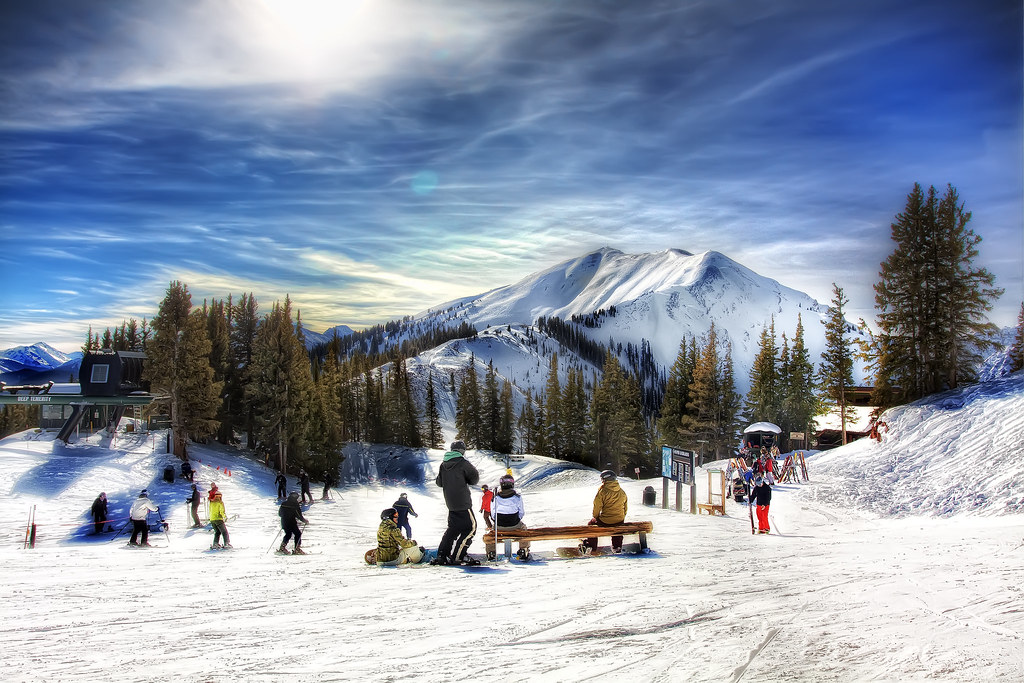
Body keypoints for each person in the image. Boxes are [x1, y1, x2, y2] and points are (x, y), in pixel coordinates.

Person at [430, 440, 480, 566]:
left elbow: (439, 483)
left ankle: (442, 555)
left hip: (451, 504)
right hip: (463, 502)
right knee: (471, 528)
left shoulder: (443, 464)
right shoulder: (463, 463)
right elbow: (474, 478)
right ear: (462, 451)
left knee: (453, 529)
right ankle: (459, 556)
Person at [484, 475, 531, 561]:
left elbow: (493, 513)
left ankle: (491, 552)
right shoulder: (517, 497)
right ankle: (524, 549)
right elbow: (521, 512)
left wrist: (496, 520)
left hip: (499, 526)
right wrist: (516, 519)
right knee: (524, 529)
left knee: (491, 533)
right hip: (514, 525)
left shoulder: (496, 498)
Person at [583, 470, 628, 554]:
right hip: (619, 519)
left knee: (591, 524)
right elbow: (625, 507)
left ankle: (591, 547)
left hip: (606, 521)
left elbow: (597, 506)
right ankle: (617, 546)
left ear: (605, 479)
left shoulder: (603, 491)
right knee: (617, 528)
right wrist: (621, 517)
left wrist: (595, 517)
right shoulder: (621, 491)